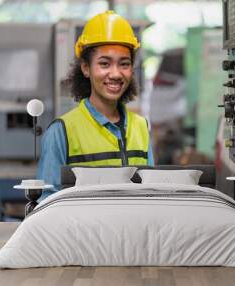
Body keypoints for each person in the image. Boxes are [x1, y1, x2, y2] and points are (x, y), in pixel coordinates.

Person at [37, 10, 154, 199]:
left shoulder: (141, 127)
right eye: (105, 64)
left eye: (124, 64)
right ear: (85, 68)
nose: (116, 74)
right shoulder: (62, 132)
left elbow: (151, 193)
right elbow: (47, 203)